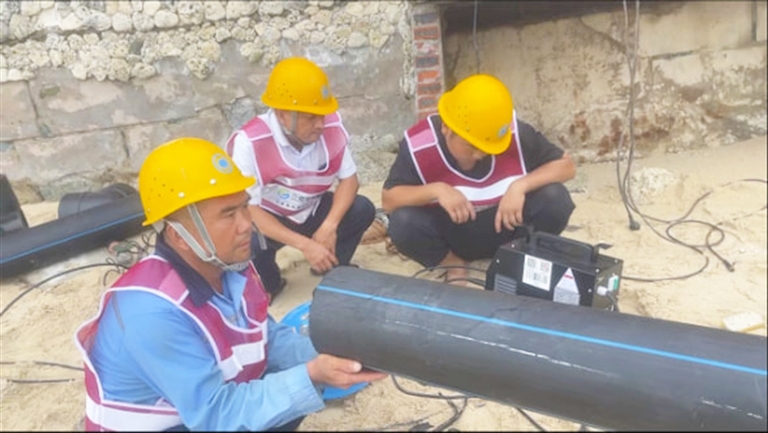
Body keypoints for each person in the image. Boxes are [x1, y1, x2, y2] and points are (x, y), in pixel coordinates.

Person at [74, 138, 386, 432]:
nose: (246, 224)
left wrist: (337, 355)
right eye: (228, 214)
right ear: (179, 236)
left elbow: (266, 340)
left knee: (291, 387)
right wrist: (312, 374)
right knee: (295, 387)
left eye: (244, 207)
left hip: (196, 412)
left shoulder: (230, 267)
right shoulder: (151, 314)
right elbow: (214, 414)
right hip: (178, 423)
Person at [381, 74, 577, 284]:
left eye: (487, 148)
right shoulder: (419, 144)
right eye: (472, 146)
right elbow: (389, 201)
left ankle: (520, 256)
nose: (479, 155)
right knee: (402, 223)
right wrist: (437, 190)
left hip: (508, 228)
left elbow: (566, 166)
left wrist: (519, 186)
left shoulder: (511, 133)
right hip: (452, 233)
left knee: (556, 198)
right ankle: (452, 264)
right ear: (446, 128)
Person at [226, 57, 375, 300]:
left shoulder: (331, 129)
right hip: (270, 218)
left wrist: (329, 226)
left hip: (311, 210)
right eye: (310, 117)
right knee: (246, 237)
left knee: (362, 209)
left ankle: (329, 266)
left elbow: (350, 180)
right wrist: (306, 245)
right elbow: (249, 210)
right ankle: (272, 284)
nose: (320, 124)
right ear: (282, 115)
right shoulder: (249, 142)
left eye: (322, 115)